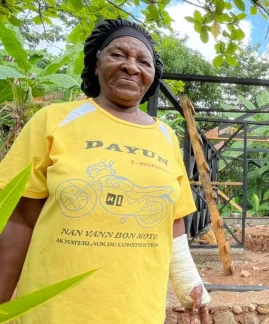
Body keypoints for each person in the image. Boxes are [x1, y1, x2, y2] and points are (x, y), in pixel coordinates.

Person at [0, 18, 211, 323]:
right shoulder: (54, 120)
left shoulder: (165, 136)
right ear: (96, 62)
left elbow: (172, 225)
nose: (131, 66)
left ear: (153, 75)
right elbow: (19, 221)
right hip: (54, 313)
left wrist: (190, 286)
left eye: (143, 61)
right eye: (118, 54)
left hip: (138, 312)